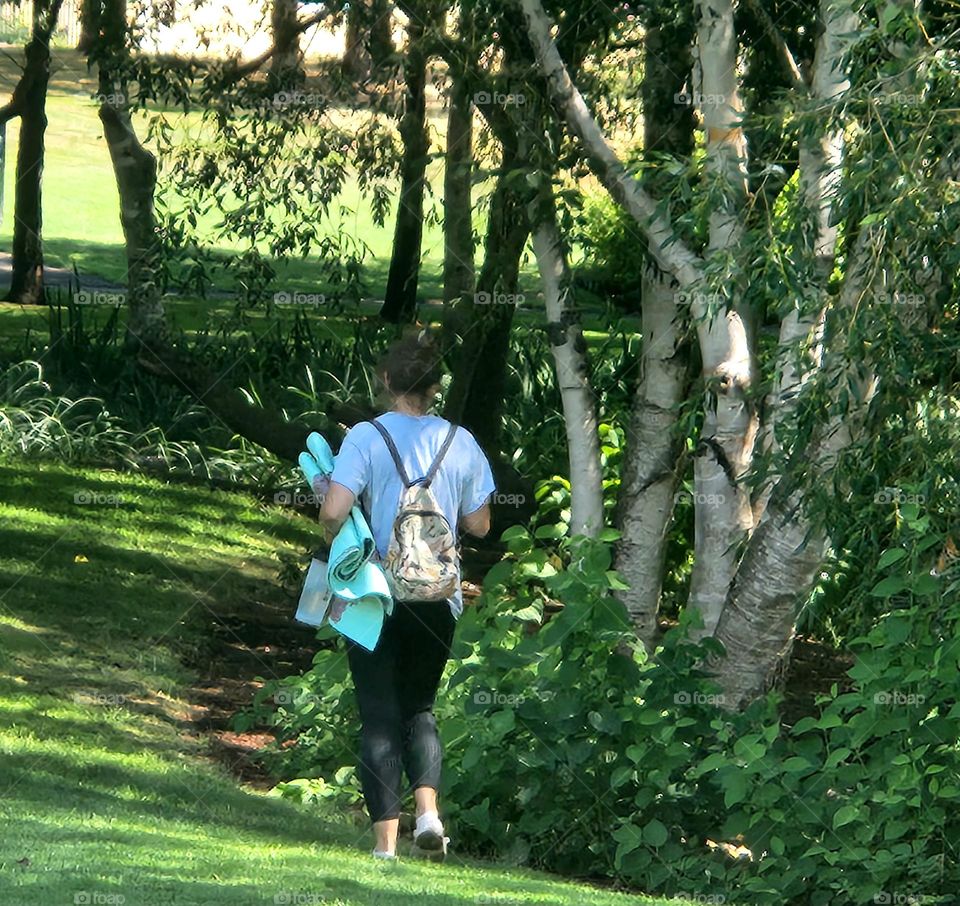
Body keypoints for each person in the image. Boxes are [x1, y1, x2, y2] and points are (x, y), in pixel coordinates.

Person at [318, 331, 495, 861]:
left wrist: (338, 526)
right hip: (438, 598)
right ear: (435, 387)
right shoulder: (460, 441)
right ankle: (429, 815)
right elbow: (480, 525)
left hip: (374, 595)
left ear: (386, 380)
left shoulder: (365, 437)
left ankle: (385, 847)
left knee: (379, 714)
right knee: (420, 709)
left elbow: (334, 512)